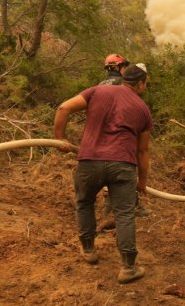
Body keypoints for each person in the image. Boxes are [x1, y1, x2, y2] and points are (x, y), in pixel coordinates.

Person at [53, 64, 152, 284]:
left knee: (84, 203)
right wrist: (142, 181)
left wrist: (60, 138)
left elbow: (63, 109)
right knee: (124, 214)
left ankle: (88, 250)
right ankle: (128, 268)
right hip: (123, 166)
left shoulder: (97, 91)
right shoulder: (143, 109)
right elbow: (142, 150)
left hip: (90, 161)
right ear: (141, 84)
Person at [98, 58, 152, 220]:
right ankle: (130, 205)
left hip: (101, 134)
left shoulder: (102, 83)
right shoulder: (121, 84)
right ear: (117, 67)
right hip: (120, 133)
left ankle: (108, 209)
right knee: (125, 168)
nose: (125, 70)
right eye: (123, 67)